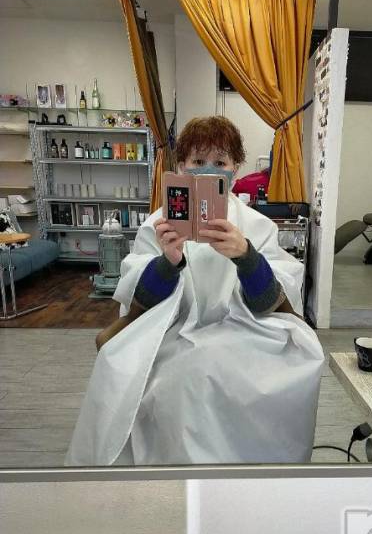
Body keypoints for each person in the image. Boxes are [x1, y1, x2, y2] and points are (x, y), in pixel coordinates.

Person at [66, 116, 324, 466]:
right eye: (198, 161)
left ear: (236, 168)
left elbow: (270, 303)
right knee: (178, 381)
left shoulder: (257, 226)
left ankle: (244, 475)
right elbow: (140, 302)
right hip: (172, 329)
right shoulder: (158, 223)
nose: (208, 170)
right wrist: (168, 262)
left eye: (220, 162)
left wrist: (246, 256)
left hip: (246, 330)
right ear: (181, 167)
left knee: (251, 368)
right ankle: (176, 477)